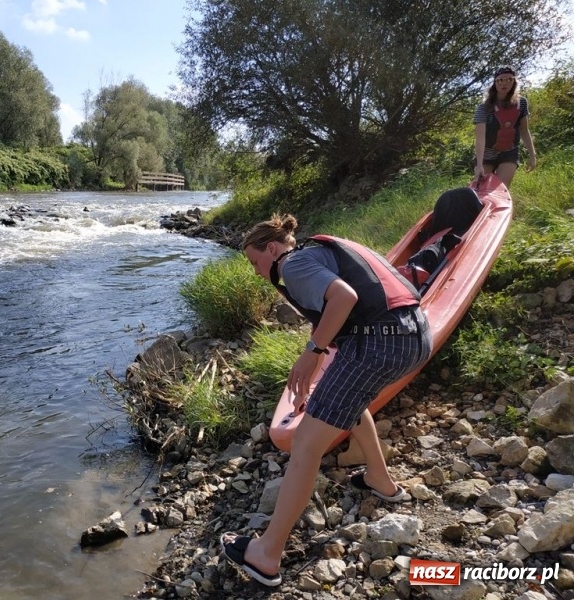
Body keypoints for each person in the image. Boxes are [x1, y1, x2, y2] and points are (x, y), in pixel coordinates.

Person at [220, 214, 432, 587]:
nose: (257, 272)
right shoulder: (324, 250)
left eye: (255, 262)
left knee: (305, 444)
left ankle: (267, 554)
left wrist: (313, 351)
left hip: (379, 342)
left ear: (272, 249)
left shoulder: (293, 263)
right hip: (415, 337)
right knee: (350, 401)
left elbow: (344, 298)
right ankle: (381, 481)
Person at [473, 66, 537, 188]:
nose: (504, 83)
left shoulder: (521, 103)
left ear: (514, 81)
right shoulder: (483, 108)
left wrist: (532, 155)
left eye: (509, 79)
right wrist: (479, 165)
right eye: (500, 80)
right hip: (486, 153)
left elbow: (524, 130)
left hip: (509, 152)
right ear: (495, 83)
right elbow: (480, 138)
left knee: (500, 188)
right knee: (481, 188)